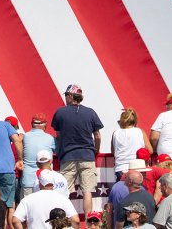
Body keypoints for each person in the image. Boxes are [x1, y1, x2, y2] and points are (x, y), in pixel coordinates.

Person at [52, 83, 104, 216]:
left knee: (63, 191)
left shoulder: (60, 112)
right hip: (87, 155)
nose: (65, 98)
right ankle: (88, 222)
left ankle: (64, 221)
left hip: (68, 156)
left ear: (70, 96)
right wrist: (95, 150)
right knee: (87, 191)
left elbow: (58, 135)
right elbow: (97, 136)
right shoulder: (90, 112)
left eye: (66, 95)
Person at [23, 115, 57, 196]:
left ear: (32, 124)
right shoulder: (50, 138)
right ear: (45, 125)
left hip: (29, 180)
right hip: (46, 181)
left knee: (28, 207)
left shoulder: (25, 136)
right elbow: (58, 151)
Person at [116, 108, 152, 180]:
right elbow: (150, 150)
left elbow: (113, 151)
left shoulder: (116, 133)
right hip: (138, 167)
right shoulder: (140, 131)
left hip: (121, 168)